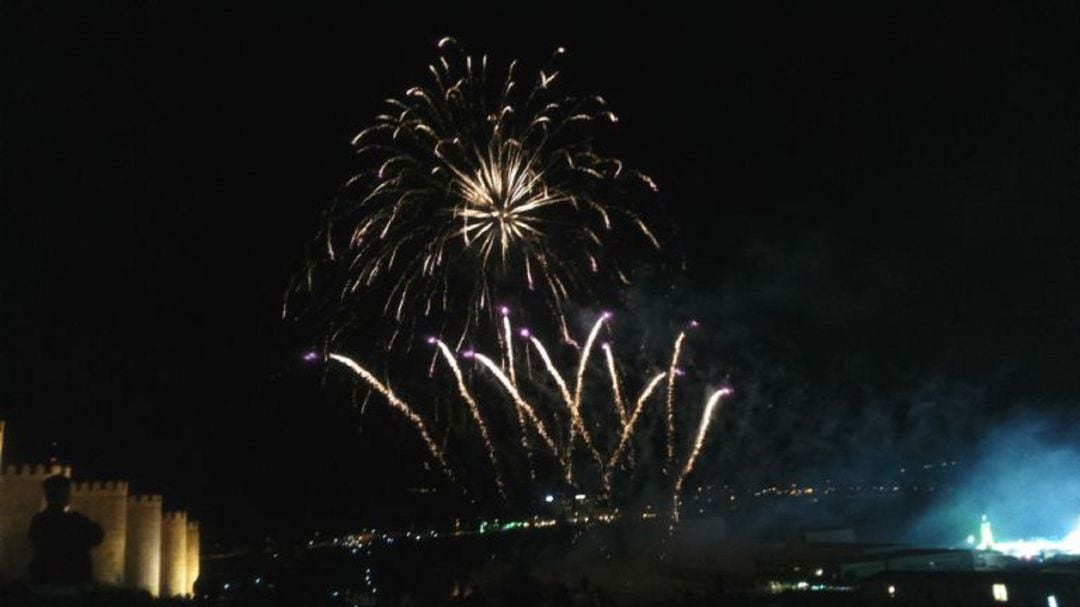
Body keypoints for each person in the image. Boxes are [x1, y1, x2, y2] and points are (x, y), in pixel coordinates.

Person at [27, 475, 103, 588]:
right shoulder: (76, 521)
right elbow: (97, 537)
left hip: (43, 583)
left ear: (47, 496)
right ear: (65, 496)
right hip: (72, 585)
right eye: (66, 492)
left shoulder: (39, 520)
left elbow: (34, 542)